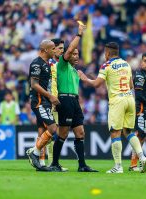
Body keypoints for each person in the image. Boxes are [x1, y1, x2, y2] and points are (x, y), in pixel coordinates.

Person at [78, 42, 146, 173]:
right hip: (129, 99)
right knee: (128, 132)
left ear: (108, 53)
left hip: (117, 101)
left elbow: (97, 85)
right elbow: (131, 86)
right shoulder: (126, 64)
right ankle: (142, 157)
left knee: (115, 133)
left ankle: (118, 166)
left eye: (105, 53)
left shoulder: (106, 65)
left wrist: (84, 79)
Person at [49, 23, 97, 172]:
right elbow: (69, 50)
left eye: (77, 54)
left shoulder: (75, 71)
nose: (76, 56)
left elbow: (91, 85)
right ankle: (54, 163)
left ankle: (82, 165)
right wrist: (79, 34)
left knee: (80, 132)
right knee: (63, 133)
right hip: (65, 100)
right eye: (73, 54)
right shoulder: (61, 64)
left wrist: (86, 80)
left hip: (74, 101)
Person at [26, 39, 59, 171]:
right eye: (52, 49)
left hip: (45, 100)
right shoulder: (36, 64)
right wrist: (50, 96)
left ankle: (40, 162)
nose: (54, 51)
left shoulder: (46, 64)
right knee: (52, 128)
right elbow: (34, 84)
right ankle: (34, 152)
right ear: (45, 50)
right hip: (39, 101)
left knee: (42, 130)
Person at [39, 38, 66, 169]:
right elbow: (47, 84)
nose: (62, 51)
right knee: (49, 131)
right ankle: (50, 162)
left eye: (62, 48)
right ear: (53, 49)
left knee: (48, 132)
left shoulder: (56, 64)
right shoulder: (48, 64)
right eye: (59, 48)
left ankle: (47, 161)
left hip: (55, 101)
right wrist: (50, 99)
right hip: (49, 102)